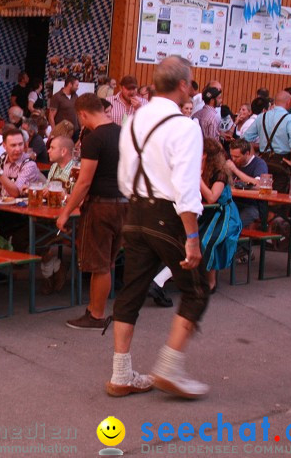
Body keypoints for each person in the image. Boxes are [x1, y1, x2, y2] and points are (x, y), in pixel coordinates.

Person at [108, 56, 208, 399]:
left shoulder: (135, 120)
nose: (191, 89)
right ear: (183, 86)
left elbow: (125, 173)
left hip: (134, 211)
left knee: (132, 289)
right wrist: (192, 236)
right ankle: (169, 366)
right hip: (168, 215)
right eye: (191, 83)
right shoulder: (185, 126)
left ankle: (121, 373)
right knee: (195, 290)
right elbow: (185, 186)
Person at [55, 94, 127, 329]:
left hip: (100, 205)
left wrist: (66, 212)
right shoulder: (123, 132)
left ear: (82, 114)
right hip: (124, 203)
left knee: (99, 264)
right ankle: (97, 310)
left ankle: (96, 314)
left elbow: (84, 182)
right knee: (108, 262)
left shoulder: (94, 139)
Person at [198, 138, 241, 291]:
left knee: (206, 241)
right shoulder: (202, 168)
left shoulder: (220, 173)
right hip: (206, 213)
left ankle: (210, 282)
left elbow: (211, 198)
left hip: (224, 215)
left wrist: (197, 178)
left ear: (206, 155)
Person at [244, 90, 291, 193]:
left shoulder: (262, 116)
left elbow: (245, 138)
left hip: (263, 161)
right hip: (282, 162)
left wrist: (254, 157)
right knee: (279, 199)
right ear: (289, 102)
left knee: (263, 195)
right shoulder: (290, 119)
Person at [227, 139, 268, 229]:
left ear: (247, 154)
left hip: (252, 206)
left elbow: (258, 185)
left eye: (237, 157)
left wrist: (235, 170)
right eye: (232, 156)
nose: (233, 159)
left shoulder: (259, 164)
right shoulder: (232, 163)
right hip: (234, 203)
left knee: (232, 227)